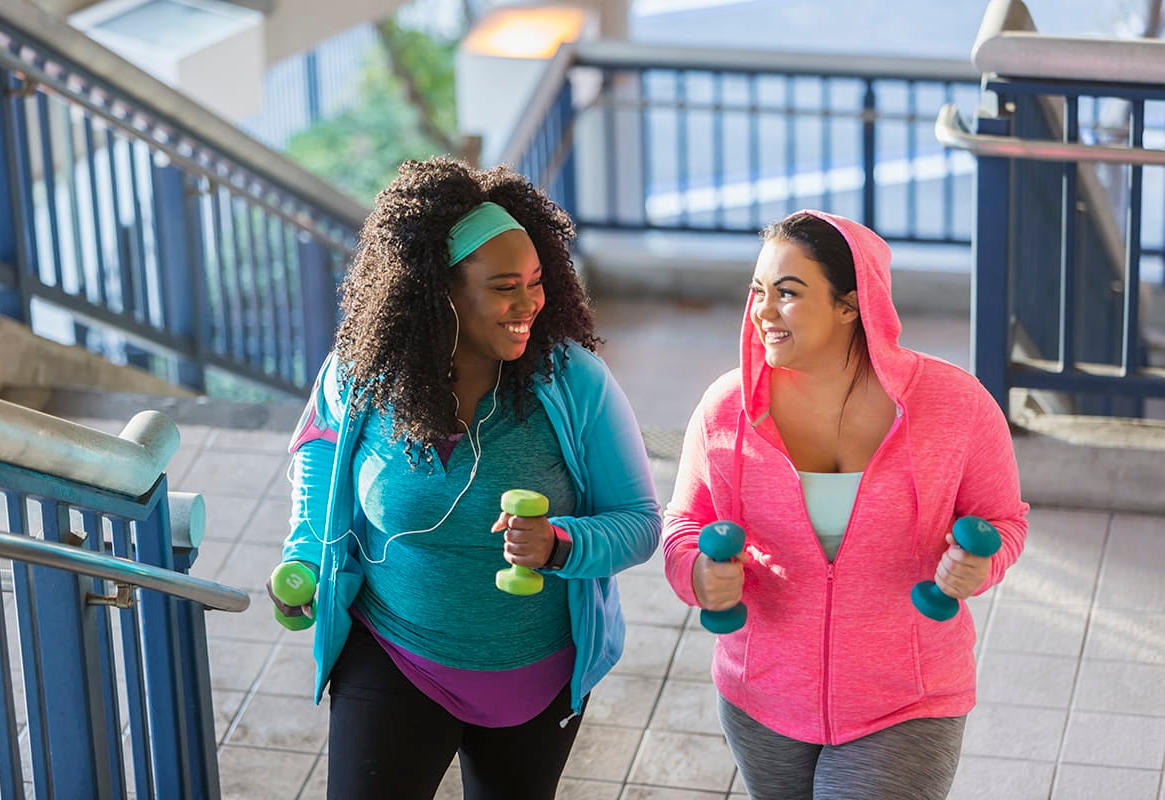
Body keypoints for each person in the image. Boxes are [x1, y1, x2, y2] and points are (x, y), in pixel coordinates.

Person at [268, 156, 660, 799]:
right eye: (506, 286)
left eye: (537, 281)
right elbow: (318, 450)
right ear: (438, 291)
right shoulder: (364, 372)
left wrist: (561, 544)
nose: (530, 303)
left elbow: (641, 523)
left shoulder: (576, 383)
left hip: (536, 676)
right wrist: (306, 552)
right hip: (394, 654)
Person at [661, 210, 1029, 800]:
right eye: (758, 291)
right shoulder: (724, 409)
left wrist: (981, 564)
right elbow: (684, 525)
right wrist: (697, 574)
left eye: (787, 293)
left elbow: (1005, 520)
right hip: (761, 696)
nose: (762, 311)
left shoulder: (956, 407)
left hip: (907, 700)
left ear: (850, 305)